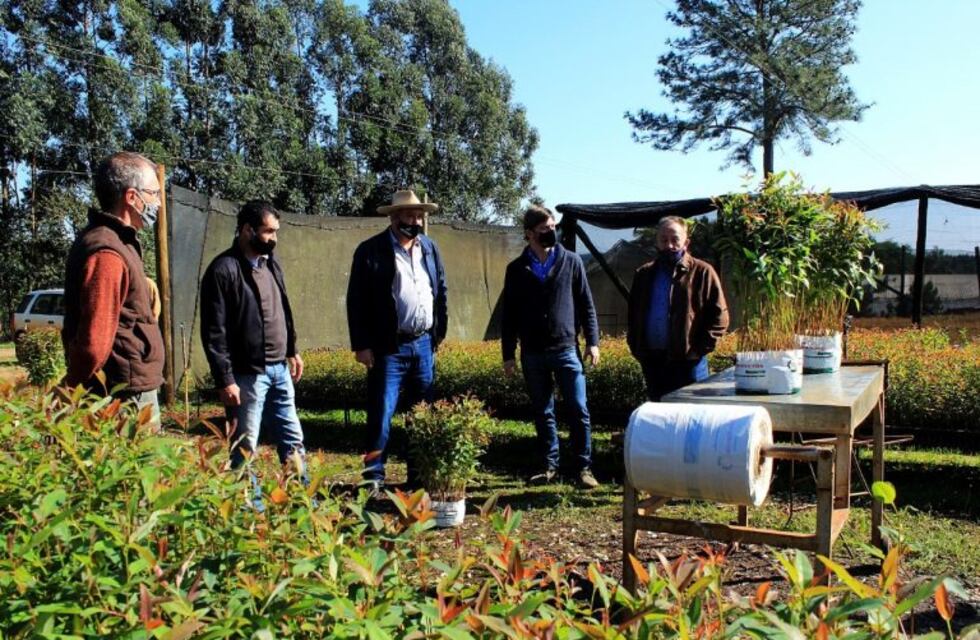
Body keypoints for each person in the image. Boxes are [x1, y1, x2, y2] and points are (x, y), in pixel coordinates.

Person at [346, 189, 448, 493]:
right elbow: (356, 300)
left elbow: (440, 289)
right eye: (409, 216)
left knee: (421, 415)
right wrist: (362, 345)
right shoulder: (370, 250)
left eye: (419, 216)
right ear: (393, 217)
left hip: (423, 344)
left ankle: (417, 476)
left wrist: (437, 334)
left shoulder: (429, 248)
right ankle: (374, 477)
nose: (415, 221)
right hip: (387, 346)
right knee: (382, 414)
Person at [200, 200, 307, 483]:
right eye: (268, 232)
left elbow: (283, 309)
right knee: (245, 447)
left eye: (276, 232)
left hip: (279, 370)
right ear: (247, 230)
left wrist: (292, 351)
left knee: (293, 439)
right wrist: (225, 379)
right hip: (246, 375)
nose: (274, 238)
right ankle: (248, 512)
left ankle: (300, 501)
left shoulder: (271, 264)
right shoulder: (223, 270)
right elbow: (214, 332)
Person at [62, 151, 164, 427]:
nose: (158, 202)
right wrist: (66, 390)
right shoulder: (107, 251)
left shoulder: (118, 242)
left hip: (129, 387)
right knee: (134, 468)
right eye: (154, 193)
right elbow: (94, 342)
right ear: (132, 197)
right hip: (122, 396)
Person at [501, 205, 601, 489]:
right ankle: (548, 465)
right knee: (543, 411)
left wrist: (592, 342)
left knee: (579, 409)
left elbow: (586, 305)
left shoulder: (572, 262)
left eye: (553, 228)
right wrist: (508, 354)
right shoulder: (517, 269)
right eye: (545, 230)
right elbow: (509, 315)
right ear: (530, 234)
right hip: (532, 352)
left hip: (566, 349)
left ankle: (583, 468)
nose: (551, 233)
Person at [627, 216, 729, 400]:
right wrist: (636, 347)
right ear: (657, 242)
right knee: (660, 417)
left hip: (688, 363)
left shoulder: (702, 272)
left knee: (690, 416)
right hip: (653, 361)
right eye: (664, 240)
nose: (669, 245)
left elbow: (720, 316)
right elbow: (633, 315)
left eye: (675, 240)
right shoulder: (644, 274)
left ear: (686, 242)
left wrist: (699, 349)